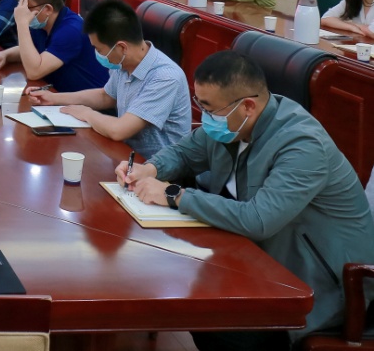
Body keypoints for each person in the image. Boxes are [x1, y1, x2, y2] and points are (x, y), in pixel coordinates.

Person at [118, 52, 374, 348]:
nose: (204, 117)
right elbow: (185, 152)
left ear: (248, 106)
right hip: (262, 262)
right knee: (191, 297)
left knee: (217, 321)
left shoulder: (302, 145)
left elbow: (258, 220)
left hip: (325, 285)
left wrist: (174, 195)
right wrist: (149, 169)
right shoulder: (233, 123)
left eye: (209, 108)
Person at [27, 0, 189, 157]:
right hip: (124, 154)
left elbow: (119, 130)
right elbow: (106, 96)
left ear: (122, 47)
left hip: (155, 167)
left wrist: (87, 114)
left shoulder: (165, 78)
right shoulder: (123, 62)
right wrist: (54, 98)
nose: (97, 54)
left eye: (99, 49)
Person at [0, 0, 108, 93]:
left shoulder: (70, 31)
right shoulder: (42, 23)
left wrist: (21, 24)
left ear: (47, 9)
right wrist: (4, 55)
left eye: (26, 6)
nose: (21, 11)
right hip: (56, 93)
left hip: (86, 102)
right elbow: (30, 49)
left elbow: (34, 72)